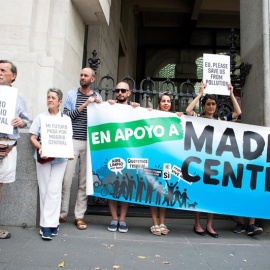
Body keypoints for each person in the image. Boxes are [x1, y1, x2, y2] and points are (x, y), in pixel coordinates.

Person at [186, 81, 242, 238]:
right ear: (204, 106)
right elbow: (188, 110)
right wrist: (200, 94)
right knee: (199, 192)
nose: (211, 107)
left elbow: (238, 112)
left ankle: (209, 225)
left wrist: (230, 93)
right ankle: (197, 224)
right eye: (208, 104)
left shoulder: (221, 120)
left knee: (212, 194)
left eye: (213, 104)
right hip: (200, 160)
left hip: (215, 162)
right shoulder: (198, 118)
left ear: (216, 107)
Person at [60, 67, 102, 230]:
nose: (82, 77)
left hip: (89, 142)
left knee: (84, 182)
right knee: (66, 179)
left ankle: (79, 216)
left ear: (92, 79)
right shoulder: (71, 95)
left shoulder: (97, 96)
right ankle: (63, 213)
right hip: (72, 140)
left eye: (86, 75)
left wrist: (101, 105)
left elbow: (101, 118)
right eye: (81, 75)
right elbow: (66, 117)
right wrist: (86, 103)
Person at [29, 88, 72, 240]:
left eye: (53, 97)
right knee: (45, 189)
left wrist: (70, 152)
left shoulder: (66, 119)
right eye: (48, 97)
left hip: (61, 159)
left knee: (54, 190)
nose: (50, 100)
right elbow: (33, 137)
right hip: (44, 158)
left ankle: (52, 223)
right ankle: (46, 225)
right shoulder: (40, 118)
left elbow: (67, 139)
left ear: (60, 101)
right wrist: (42, 148)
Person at [0, 60, 29, 239]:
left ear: (13, 75)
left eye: (3, 70)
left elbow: (26, 119)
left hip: (7, 146)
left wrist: (21, 121)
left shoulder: (18, 97)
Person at [107, 81, 139, 233]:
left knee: (125, 186)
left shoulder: (135, 109)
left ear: (128, 93)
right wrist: (105, 105)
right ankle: (114, 218)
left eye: (123, 90)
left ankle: (122, 219)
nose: (119, 93)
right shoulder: (108, 107)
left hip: (128, 153)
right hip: (112, 152)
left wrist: (141, 109)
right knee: (112, 186)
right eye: (117, 90)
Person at [149, 92, 172, 236]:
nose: (166, 103)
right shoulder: (152, 116)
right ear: (159, 104)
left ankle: (162, 222)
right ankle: (154, 223)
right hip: (154, 159)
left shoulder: (175, 118)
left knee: (164, 192)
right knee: (153, 191)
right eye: (163, 101)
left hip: (168, 161)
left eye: (168, 101)